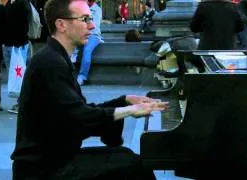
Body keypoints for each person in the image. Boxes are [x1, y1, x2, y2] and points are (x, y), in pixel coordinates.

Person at [10, 0, 168, 179]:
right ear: (61, 24)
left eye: (91, 18)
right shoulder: (49, 63)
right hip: (43, 170)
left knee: (126, 156)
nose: (92, 25)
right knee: (134, 167)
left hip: (55, 160)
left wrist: (125, 100)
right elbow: (77, 118)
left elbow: (76, 111)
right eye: (85, 19)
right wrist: (129, 110)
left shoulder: (56, 57)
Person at [2, 0, 31, 114]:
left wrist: (18, 44)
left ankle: (22, 103)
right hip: (10, 44)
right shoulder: (10, 3)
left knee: (20, 75)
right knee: (16, 75)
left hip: (18, 45)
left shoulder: (22, 3)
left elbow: (24, 25)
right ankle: (20, 101)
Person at [75, 0, 104, 86]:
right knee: (70, 47)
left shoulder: (97, 9)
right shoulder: (80, 7)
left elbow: (94, 26)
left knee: (87, 50)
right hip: (80, 34)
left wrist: (84, 18)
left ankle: (82, 77)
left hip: (93, 35)